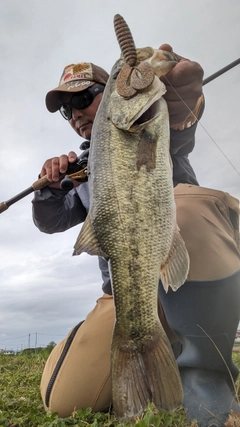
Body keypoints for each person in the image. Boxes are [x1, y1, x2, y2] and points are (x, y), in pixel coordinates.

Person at [32, 45, 240, 427]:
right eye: (67, 108)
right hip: (129, 292)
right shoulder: (82, 173)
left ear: (111, 91)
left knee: (190, 207)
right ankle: (158, 349)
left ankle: (209, 393)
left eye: (84, 97)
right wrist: (51, 189)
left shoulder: (151, 123)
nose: (76, 112)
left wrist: (172, 75)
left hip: (183, 278)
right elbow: (50, 222)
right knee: (64, 400)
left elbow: (183, 103)